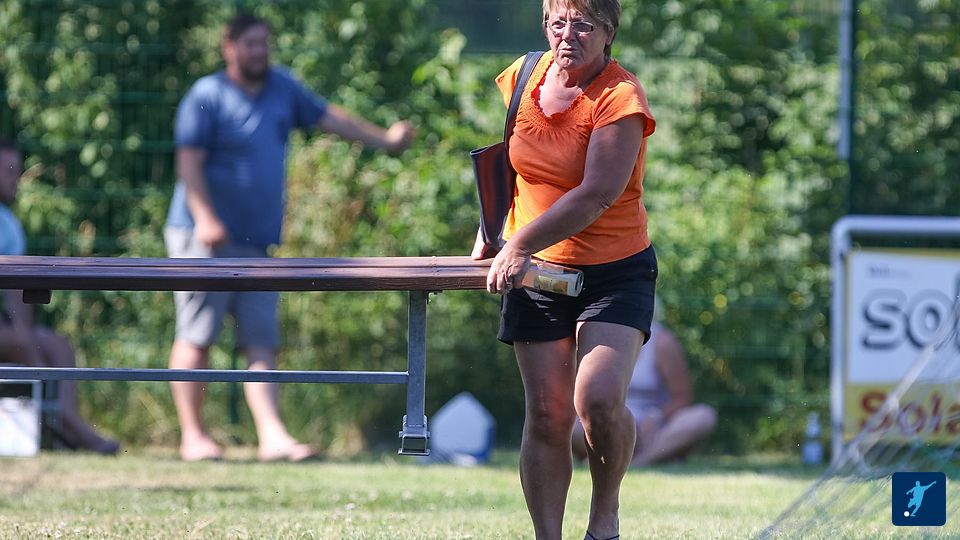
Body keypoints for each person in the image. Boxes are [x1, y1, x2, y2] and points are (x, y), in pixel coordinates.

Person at [165, 12, 414, 462]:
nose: (259, 51)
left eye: (265, 42)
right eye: (250, 43)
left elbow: (331, 118)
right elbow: (188, 164)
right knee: (197, 336)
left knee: (261, 339)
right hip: (203, 239)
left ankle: (272, 436)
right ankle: (193, 436)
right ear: (228, 47)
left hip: (256, 242)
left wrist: (386, 141)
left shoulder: (282, 88)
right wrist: (205, 219)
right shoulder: (207, 95)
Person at [472, 1, 657, 538]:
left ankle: (604, 516)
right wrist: (491, 227)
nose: (567, 34)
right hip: (536, 270)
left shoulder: (621, 97)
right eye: (558, 22)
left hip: (615, 269)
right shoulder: (523, 75)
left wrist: (518, 243)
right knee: (549, 413)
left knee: (597, 400)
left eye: (583, 24)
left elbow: (597, 194)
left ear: (608, 32)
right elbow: (512, 161)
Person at [0, 138, 120, 455]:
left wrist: (24, 335)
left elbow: (17, 294)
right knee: (25, 343)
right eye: (9, 171)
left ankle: (63, 419)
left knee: (57, 345)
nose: (16, 179)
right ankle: (63, 425)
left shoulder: (8, 225)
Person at [572, 322, 717, 467]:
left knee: (703, 416)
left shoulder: (662, 342)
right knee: (567, 419)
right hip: (606, 423)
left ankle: (640, 461)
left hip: (653, 429)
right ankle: (608, 456)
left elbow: (682, 398)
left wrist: (656, 416)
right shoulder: (592, 336)